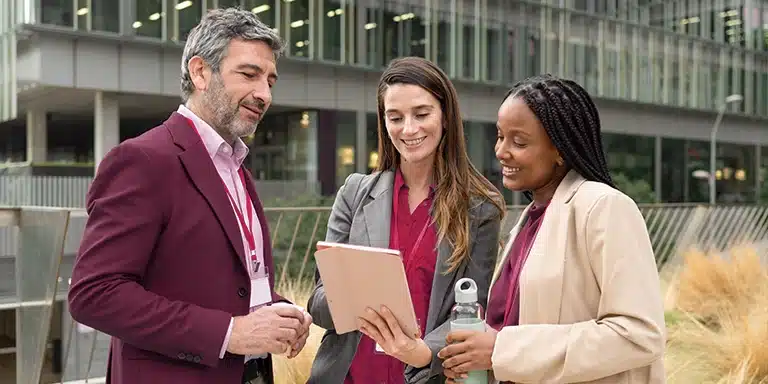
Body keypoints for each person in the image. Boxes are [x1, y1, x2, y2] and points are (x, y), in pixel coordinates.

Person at [67, 8, 312, 384]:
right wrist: (231, 333)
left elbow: (225, 279)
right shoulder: (142, 160)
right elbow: (94, 294)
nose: (263, 94)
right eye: (249, 74)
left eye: (270, 81)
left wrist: (278, 310)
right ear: (200, 72)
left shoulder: (236, 165)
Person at [438, 74, 666, 384]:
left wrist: (500, 351)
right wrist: (478, 365)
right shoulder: (530, 220)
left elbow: (639, 334)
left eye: (519, 141)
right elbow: (511, 331)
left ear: (560, 150)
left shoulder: (604, 208)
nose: (501, 151)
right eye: (500, 136)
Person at [306, 56, 505, 384]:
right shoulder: (354, 194)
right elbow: (317, 302)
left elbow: (474, 309)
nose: (409, 129)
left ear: (445, 116)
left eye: (422, 114)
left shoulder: (480, 209)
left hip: (424, 376)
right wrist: (356, 299)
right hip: (348, 376)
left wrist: (425, 352)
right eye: (395, 117)